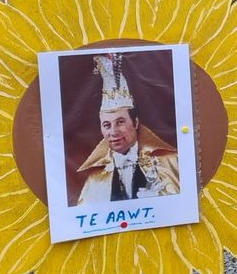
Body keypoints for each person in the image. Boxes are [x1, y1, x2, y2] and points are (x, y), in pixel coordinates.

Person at [75, 53, 181, 205]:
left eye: (120, 122)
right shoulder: (94, 182)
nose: (113, 132)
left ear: (135, 123)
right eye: (106, 125)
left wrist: (160, 201)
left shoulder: (171, 163)